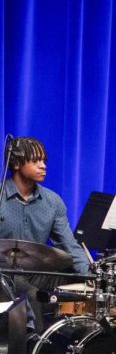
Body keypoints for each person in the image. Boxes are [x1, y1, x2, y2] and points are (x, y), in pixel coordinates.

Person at [2, 137, 91, 328]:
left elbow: (69, 245)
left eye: (44, 161)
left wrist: (91, 277)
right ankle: (35, 348)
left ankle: (79, 340)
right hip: (3, 275)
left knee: (78, 281)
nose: (43, 166)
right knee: (31, 294)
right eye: (36, 161)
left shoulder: (52, 202)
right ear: (16, 163)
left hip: (37, 271)